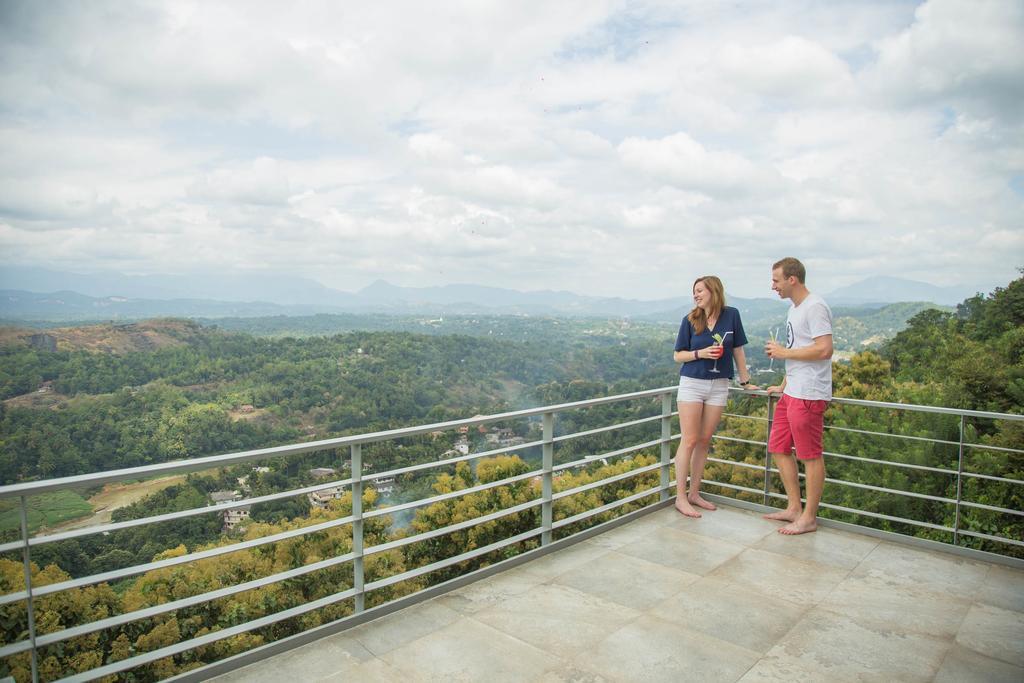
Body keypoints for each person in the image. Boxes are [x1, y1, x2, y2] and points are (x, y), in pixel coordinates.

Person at [673, 275, 757, 518]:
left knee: (704, 440)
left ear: (713, 291)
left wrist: (745, 381)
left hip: (719, 384)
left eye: (700, 291)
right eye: (694, 292)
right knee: (688, 440)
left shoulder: (732, 315)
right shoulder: (690, 320)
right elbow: (678, 355)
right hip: (692, 384)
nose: (696, 295)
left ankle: (694, 493)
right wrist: (700, 353)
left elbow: (738, 350)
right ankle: (680, 497)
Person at [763, 257, 833, 535]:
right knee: (778, 447)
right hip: (792, 391)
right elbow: (799, 350)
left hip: (809, 393)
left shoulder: (815, 306)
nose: (773, 286)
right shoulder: (795, 309)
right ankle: (794, 507)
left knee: (810, 455)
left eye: (776, 280)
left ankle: (809, 517)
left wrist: (784, 353)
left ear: (792, 279)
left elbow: (824, 349)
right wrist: (783, 384)